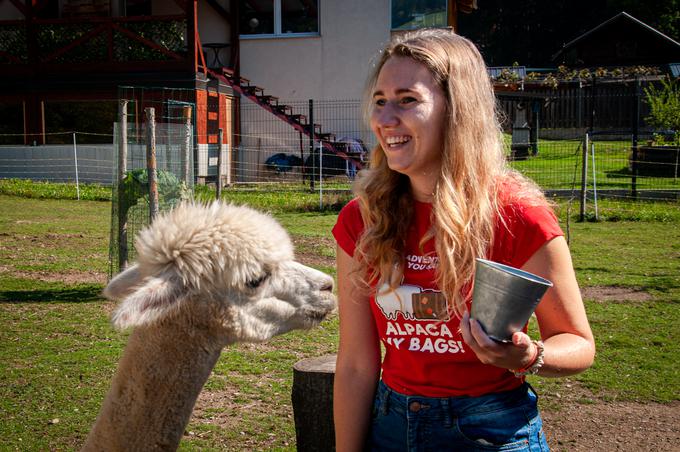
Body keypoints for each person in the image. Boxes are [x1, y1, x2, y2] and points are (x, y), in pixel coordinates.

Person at [332, 29, 595, 452]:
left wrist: (528, 357)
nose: (384, 118)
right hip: (390, 428)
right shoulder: (360, 220)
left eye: (407, 99)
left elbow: (578, 343)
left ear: (457, 110)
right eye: (380, 101)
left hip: (491, 432)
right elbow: (357, 365)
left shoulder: (517, 214)